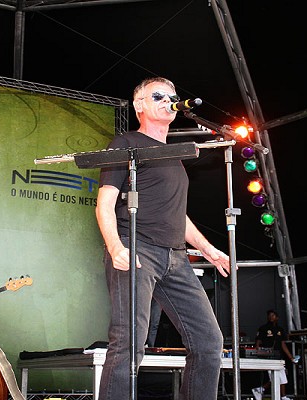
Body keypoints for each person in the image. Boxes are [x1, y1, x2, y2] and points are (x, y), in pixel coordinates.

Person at [95, 76, 231, 400]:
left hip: (176, 258)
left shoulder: (174, 155)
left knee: (209, 341)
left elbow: (176, 215)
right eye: (158, 96)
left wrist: (207, 248)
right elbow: (104, 203)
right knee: (129, 341)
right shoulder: (126, 143)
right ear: (139, 105)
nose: (168, 101)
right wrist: (115, 246)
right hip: (137, 247)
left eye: (172, 96)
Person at [251, 309, 297, 400]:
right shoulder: (263, 328)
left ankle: (263, 390)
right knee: (275, 377)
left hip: (279, 356)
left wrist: (291, 358)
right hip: (268, 356)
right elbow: (258, 341)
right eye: (269, 315)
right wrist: (258, 351)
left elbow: (283, 344)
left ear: (277, 317)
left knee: (282, 378)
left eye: (273, 315)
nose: (271, 317)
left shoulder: (280, 329)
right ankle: (278, 395)